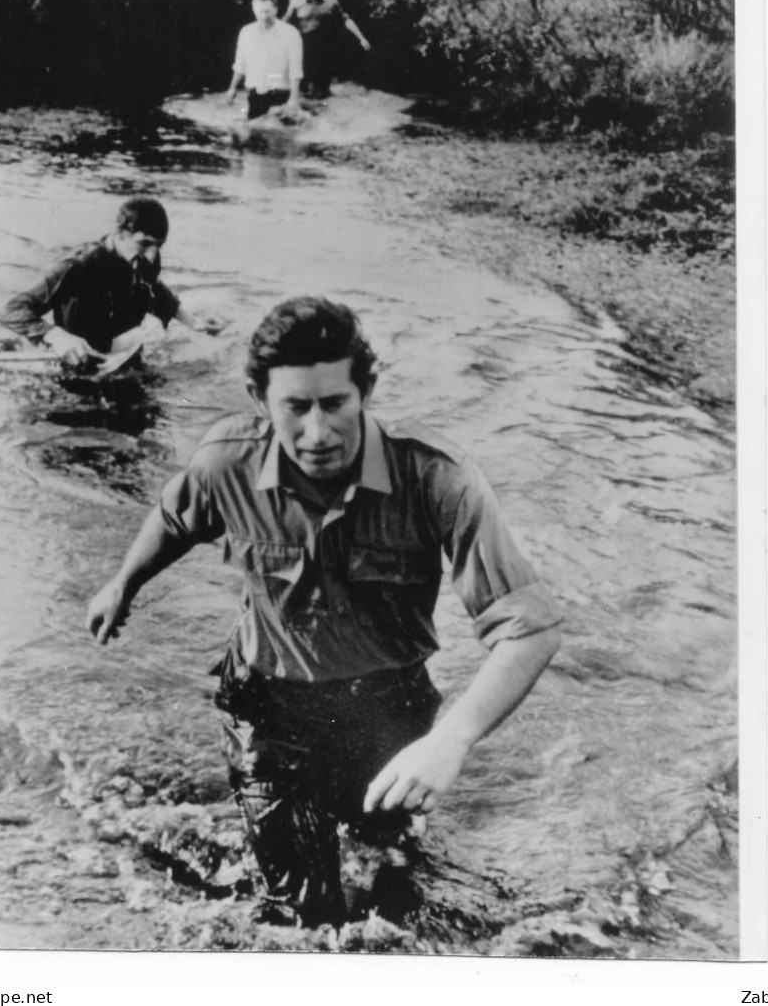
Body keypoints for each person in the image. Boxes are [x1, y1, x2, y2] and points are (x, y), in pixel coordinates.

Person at [86, 296, 563, 928]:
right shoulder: (227, 461)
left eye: (335, 403)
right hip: (269, 708)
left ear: (365, 391)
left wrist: (451, 741)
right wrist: (124, 581)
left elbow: (531, 628)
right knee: (311, 917)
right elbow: (178, 518)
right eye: (296, 407)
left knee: (392, 878)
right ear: (262, 400)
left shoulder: (435, 478)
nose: (318, 433)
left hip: (388, 710)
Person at [0, 196, 226, 368]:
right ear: (121, 234)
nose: (151, 256)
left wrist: (194, 322)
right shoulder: (77, 267)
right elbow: (12, 310)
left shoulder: (145, 256)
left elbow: (154, 288)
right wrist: (56, 337)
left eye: (158, 246)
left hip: (121, 355)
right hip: (80, 359)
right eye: (144, 244)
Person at [286, 0, 371, 99]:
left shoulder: (331, 1)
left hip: (325, 44)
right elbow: (285, 23)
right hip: (304, 43)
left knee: (323, 78)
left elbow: (346, 20)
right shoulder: (296, 2)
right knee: (303, 75)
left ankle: (322, 97)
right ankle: (302, 98)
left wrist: (361, 38)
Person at [225, 0, 304, 122]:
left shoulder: (290, 33)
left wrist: (294, 98)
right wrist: (232, 88)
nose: (264, 16)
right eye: (260, 12)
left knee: (280, 136)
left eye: (267, 11)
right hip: (255, 92)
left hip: (281, 93)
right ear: (253, 10)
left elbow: (296, 69)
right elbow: (240, 65)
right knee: (255, 134)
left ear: (276, 9)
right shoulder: (246, 32)